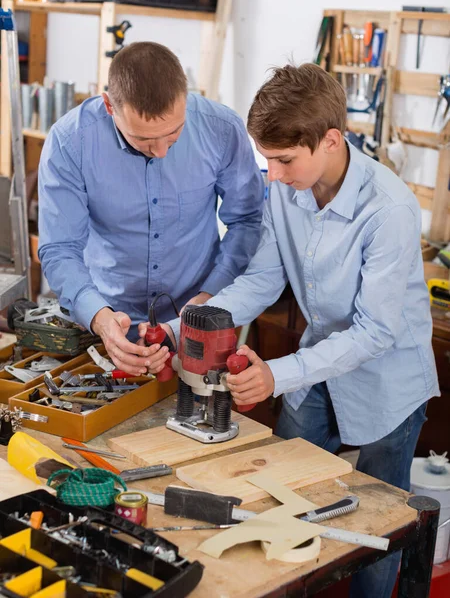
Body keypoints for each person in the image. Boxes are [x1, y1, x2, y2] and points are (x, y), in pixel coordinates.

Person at [141, 63, 440, 598]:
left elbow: (373, 332)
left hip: (386, 378)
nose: (272, 176)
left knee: (378, 527)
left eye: (283, 160)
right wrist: (174, 329)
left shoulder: (390, 209)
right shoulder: (285, 188)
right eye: (267, 160)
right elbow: (261, 280)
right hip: (314, 363)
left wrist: (275, 375)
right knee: (278, 498)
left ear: (330, 140)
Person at [38, 42, 264, 375]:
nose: (160, 152)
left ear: (185, 97)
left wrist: (208, 297)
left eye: (173, 134)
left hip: (200, 318)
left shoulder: (221, 130)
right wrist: (99, 318)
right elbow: (60, 249)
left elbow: (246, 222)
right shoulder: (70, 143)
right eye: (142, 139)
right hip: (109, 319)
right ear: (109, 106)